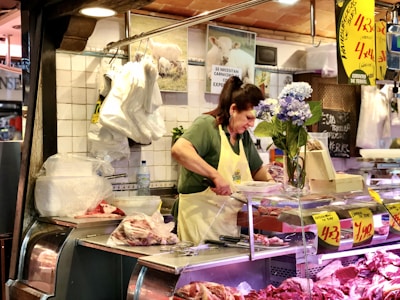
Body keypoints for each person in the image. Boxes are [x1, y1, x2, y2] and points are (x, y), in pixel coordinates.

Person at [171, 76, 274, 245]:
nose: (252, 124)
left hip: (228, 225)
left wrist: (271, 190)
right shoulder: (207, 125)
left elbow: (257, 170)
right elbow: (179, 150)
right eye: (248, 118)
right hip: (199, 223)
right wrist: (216, 176)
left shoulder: (242, 136)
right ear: (233, 109)